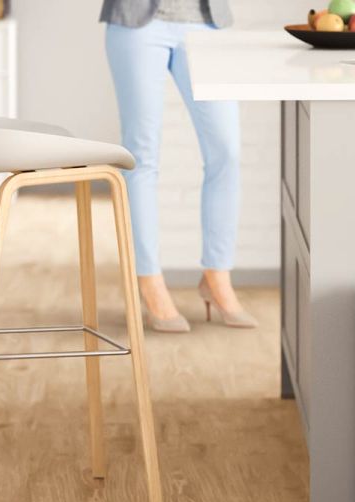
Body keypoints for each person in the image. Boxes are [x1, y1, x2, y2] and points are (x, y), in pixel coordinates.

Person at [101, 0, 253, 333]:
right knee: (141, 157)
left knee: (226, 151)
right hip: (137, 23)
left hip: (206, 23)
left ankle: (217, 276)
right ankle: (149, 280)